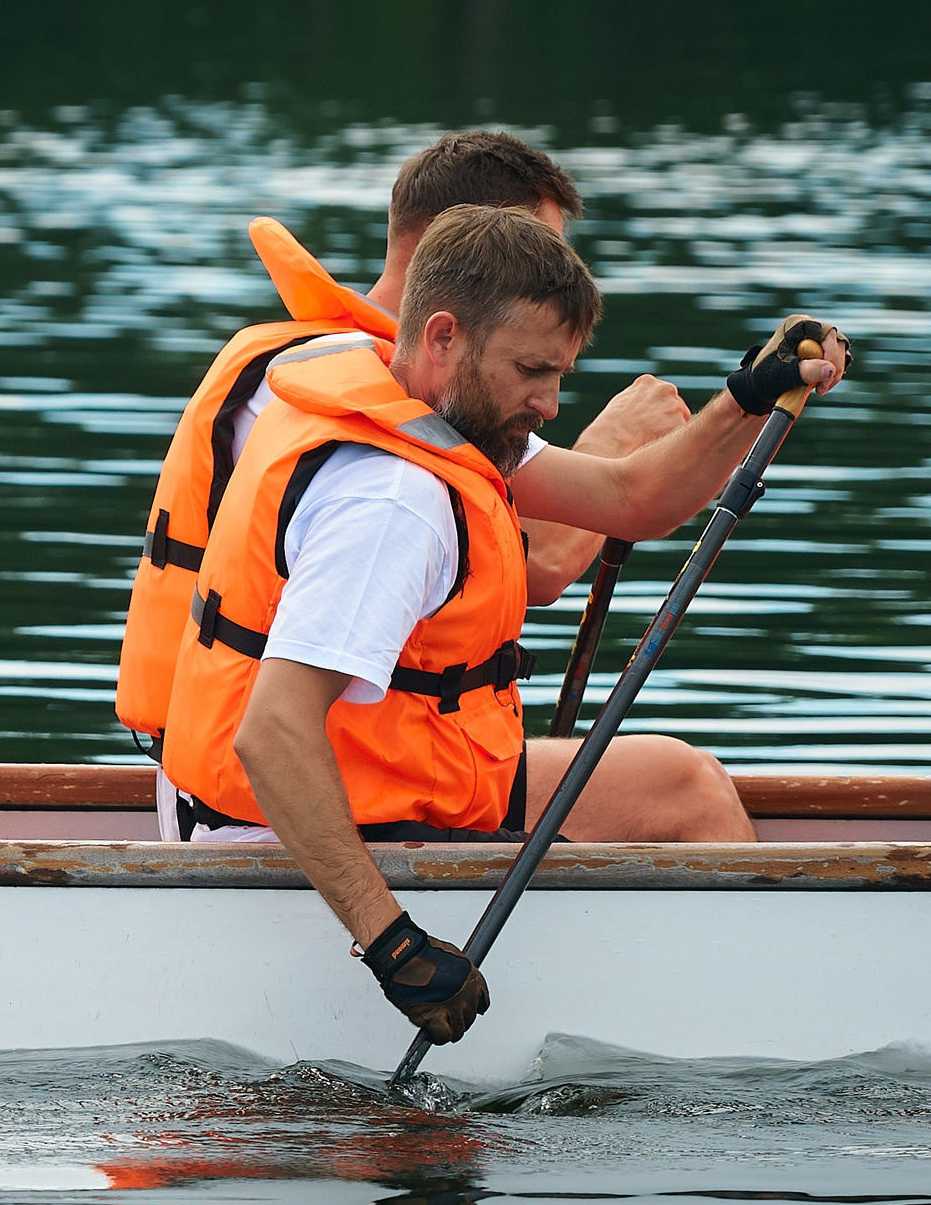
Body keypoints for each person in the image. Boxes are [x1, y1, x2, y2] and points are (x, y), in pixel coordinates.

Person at [158, 204, 849, 1045]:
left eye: (560, 373)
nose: (552, 403)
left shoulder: (420, 402)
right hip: (319, 816)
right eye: (533, 371)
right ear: (444, 336)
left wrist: (745, 397)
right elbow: (270, 733)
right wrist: (394, 945)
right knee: (687, 789)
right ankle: (765, 1040)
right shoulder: (393, 500)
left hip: (378, 774)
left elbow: (636, 495)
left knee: (679, 778)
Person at [117, 130, 691, 755]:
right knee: (680, 783)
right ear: (457, 244)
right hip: (272, 757)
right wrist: (614, 438)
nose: (561, 282)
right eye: (537, 253)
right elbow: (541, 567)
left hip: (280, 741)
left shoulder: (364, 370)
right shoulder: (364, 398)